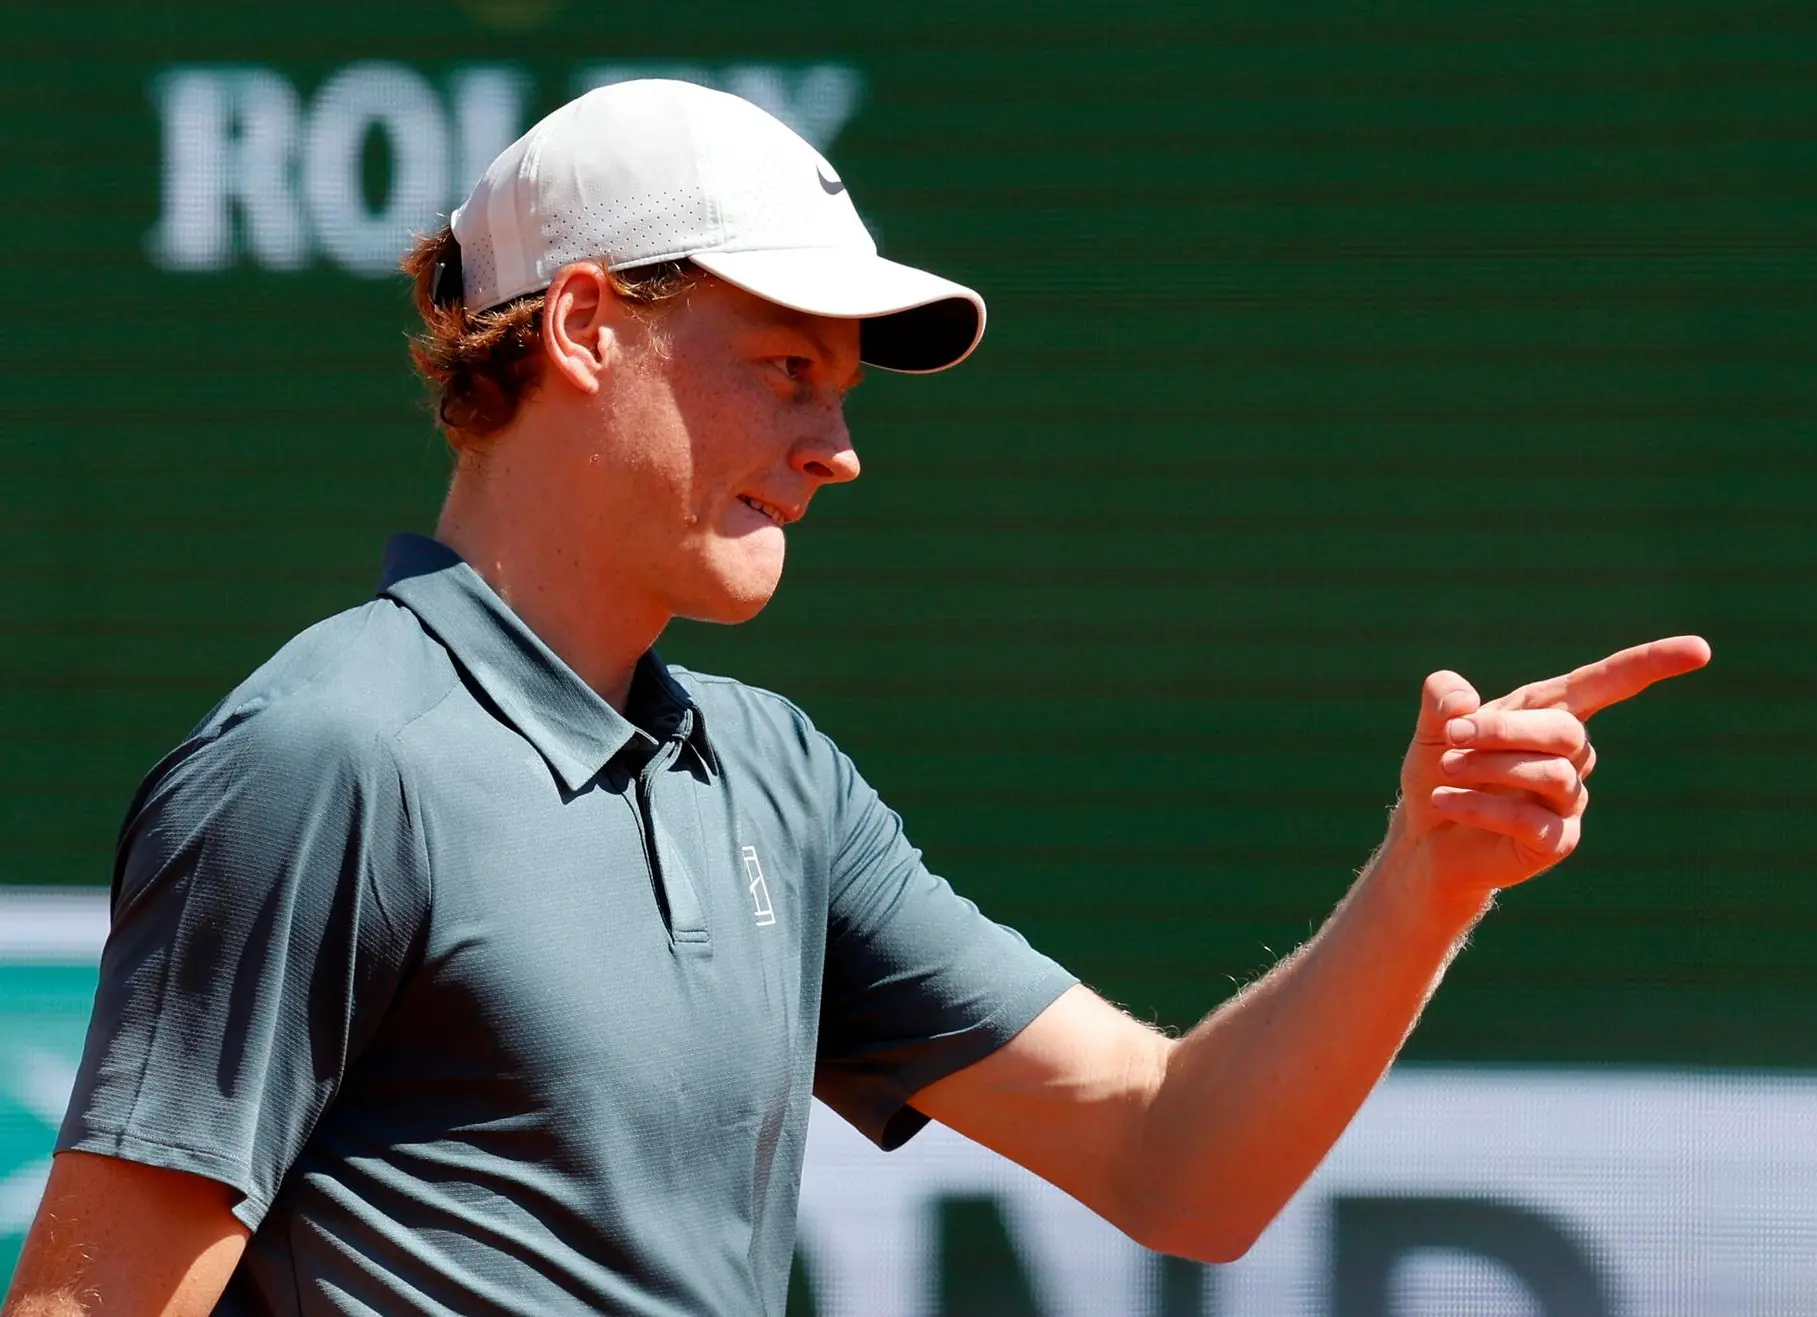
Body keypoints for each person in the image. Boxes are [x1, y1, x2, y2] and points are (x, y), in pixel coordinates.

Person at [2, 79, 1709, 1316]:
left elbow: (1181, 1163)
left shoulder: (774, 782)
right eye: (785, 371)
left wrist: (1431, 877)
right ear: (587, 328)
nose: (836, 447)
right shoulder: (329, 756)